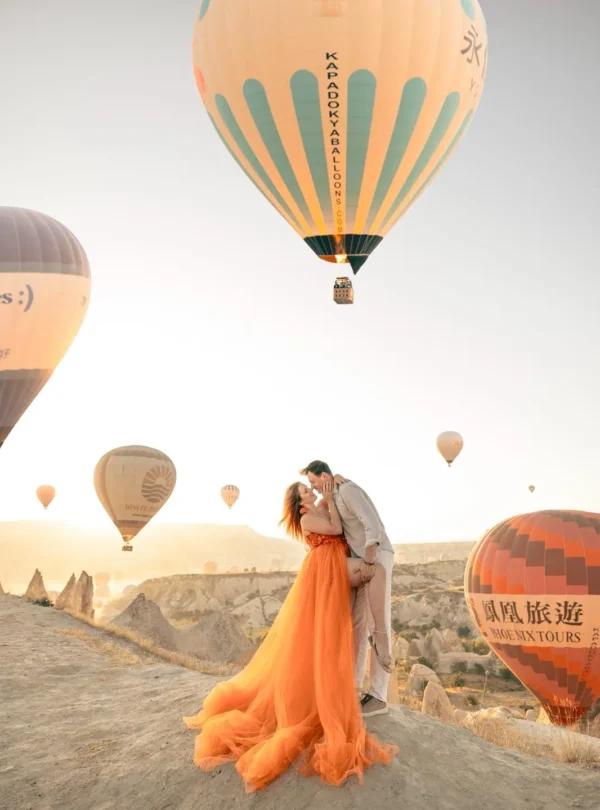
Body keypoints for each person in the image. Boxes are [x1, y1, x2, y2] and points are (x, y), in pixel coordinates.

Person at [183, 480, 397, 793]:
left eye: (310, 488)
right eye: (305, 491)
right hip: (325, 567)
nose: (310, 492)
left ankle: (374, 636)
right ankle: (378, 634)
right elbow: (337, 530)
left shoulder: (318, 509)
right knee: (365, 583)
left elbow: (339, 525)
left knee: (355, 607)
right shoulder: (309, 518)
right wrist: (328, 500)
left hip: (331, 564)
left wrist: (329, 499)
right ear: (298, 503)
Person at [300, 461, 394, 719]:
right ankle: (353, 688)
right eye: (309, 485)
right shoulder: (330, 496)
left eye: (314, 482)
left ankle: (379, 695)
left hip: (375, 556)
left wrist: (370, 560)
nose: (313, 488)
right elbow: (316, 512)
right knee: (360, 624)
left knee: (379, 621)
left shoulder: (348, 490)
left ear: (325, 476)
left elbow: (372, 526)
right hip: (359, 561)